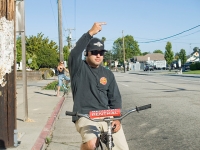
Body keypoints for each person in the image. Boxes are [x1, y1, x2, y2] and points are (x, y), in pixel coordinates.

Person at [68, 22, 129, 150]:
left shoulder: (108, 74)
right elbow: (74, 54)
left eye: (101, 52)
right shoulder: (79, 69)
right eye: (94, 52)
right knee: (92, 144)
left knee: (122, 148)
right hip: (85, 116)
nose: (98, 55)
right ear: (87, 53)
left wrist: (117, 119)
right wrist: (90, 33)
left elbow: (115, 99)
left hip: (106, 115)